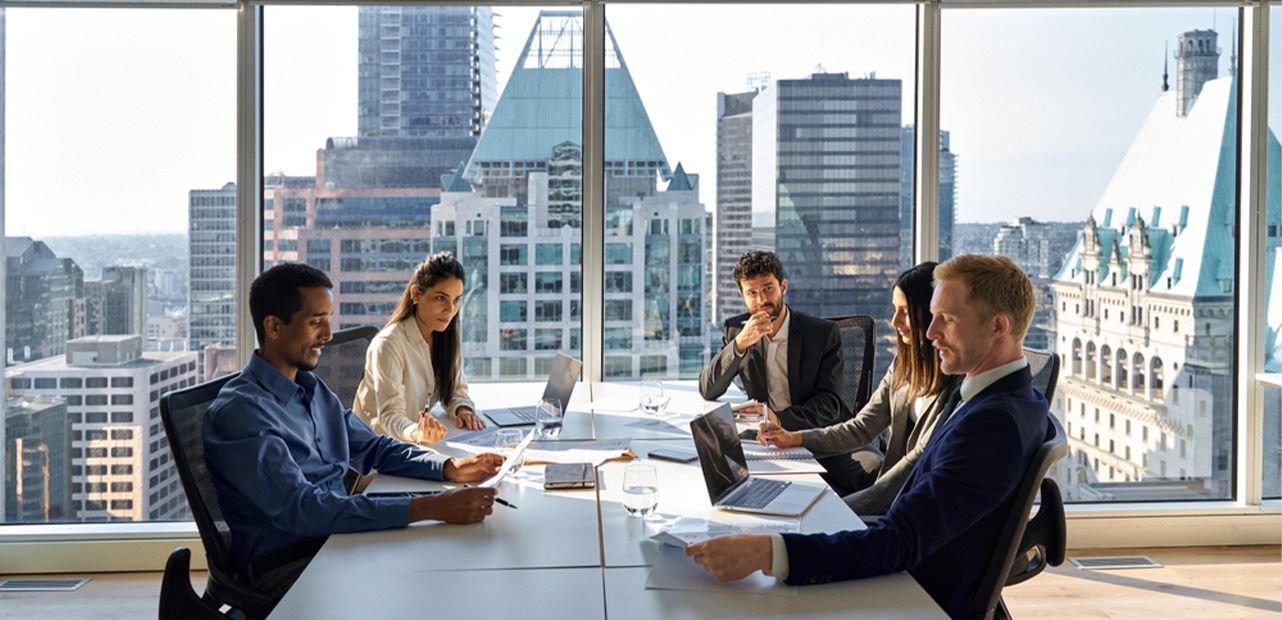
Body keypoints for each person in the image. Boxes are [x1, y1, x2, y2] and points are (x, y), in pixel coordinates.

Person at [685, 254, 1050, 620]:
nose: (929, 333)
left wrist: (768, 552)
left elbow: (900, 541)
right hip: (902, 561)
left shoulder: (992, 424)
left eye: (947, 320)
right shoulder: (991, 393)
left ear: (998, 326)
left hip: (914, 592)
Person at [204, 263, 503, 609]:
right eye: (317, 322)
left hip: (336, 536)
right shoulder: (242, 414)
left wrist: (449, 468)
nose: (329, 334)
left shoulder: (309, 387)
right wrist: (430, 507)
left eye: (330, 319)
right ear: (273, 326)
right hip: (292, 562)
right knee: (426, 588)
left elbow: (373, 448)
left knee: (453, 567)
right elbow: (305, 511)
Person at [758, 262, 962, 518]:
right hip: (889, 490)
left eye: (905, 311)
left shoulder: (957, 382)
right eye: (894, 310)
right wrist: (795, 438)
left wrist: (838, 513)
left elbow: (915, 465)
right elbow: (862, 427)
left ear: (933, 312)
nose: (895, 321)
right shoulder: (904, 364)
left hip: (910, 506)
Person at [699, 250, 878, 494]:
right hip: (768, 444)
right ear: (742, 296)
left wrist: (779, 419)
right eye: (752, 293)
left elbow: (830, 405)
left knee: (866, 478)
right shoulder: (736, 331)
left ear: (783, 286)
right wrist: (739, 344)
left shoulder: (821, 333)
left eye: (768, 288)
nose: (761, 299)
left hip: (819, 438)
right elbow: (709, 389)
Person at [354, 252, 485, 444]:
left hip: (413, 444)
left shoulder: (445, 335)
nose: (450, 309)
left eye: (456, 300)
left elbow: (455, 389)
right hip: (377, 449)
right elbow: (390, 415)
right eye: (441, 298)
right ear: (416, 294)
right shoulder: (388, 344)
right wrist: (417, 432)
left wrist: (462, 409)